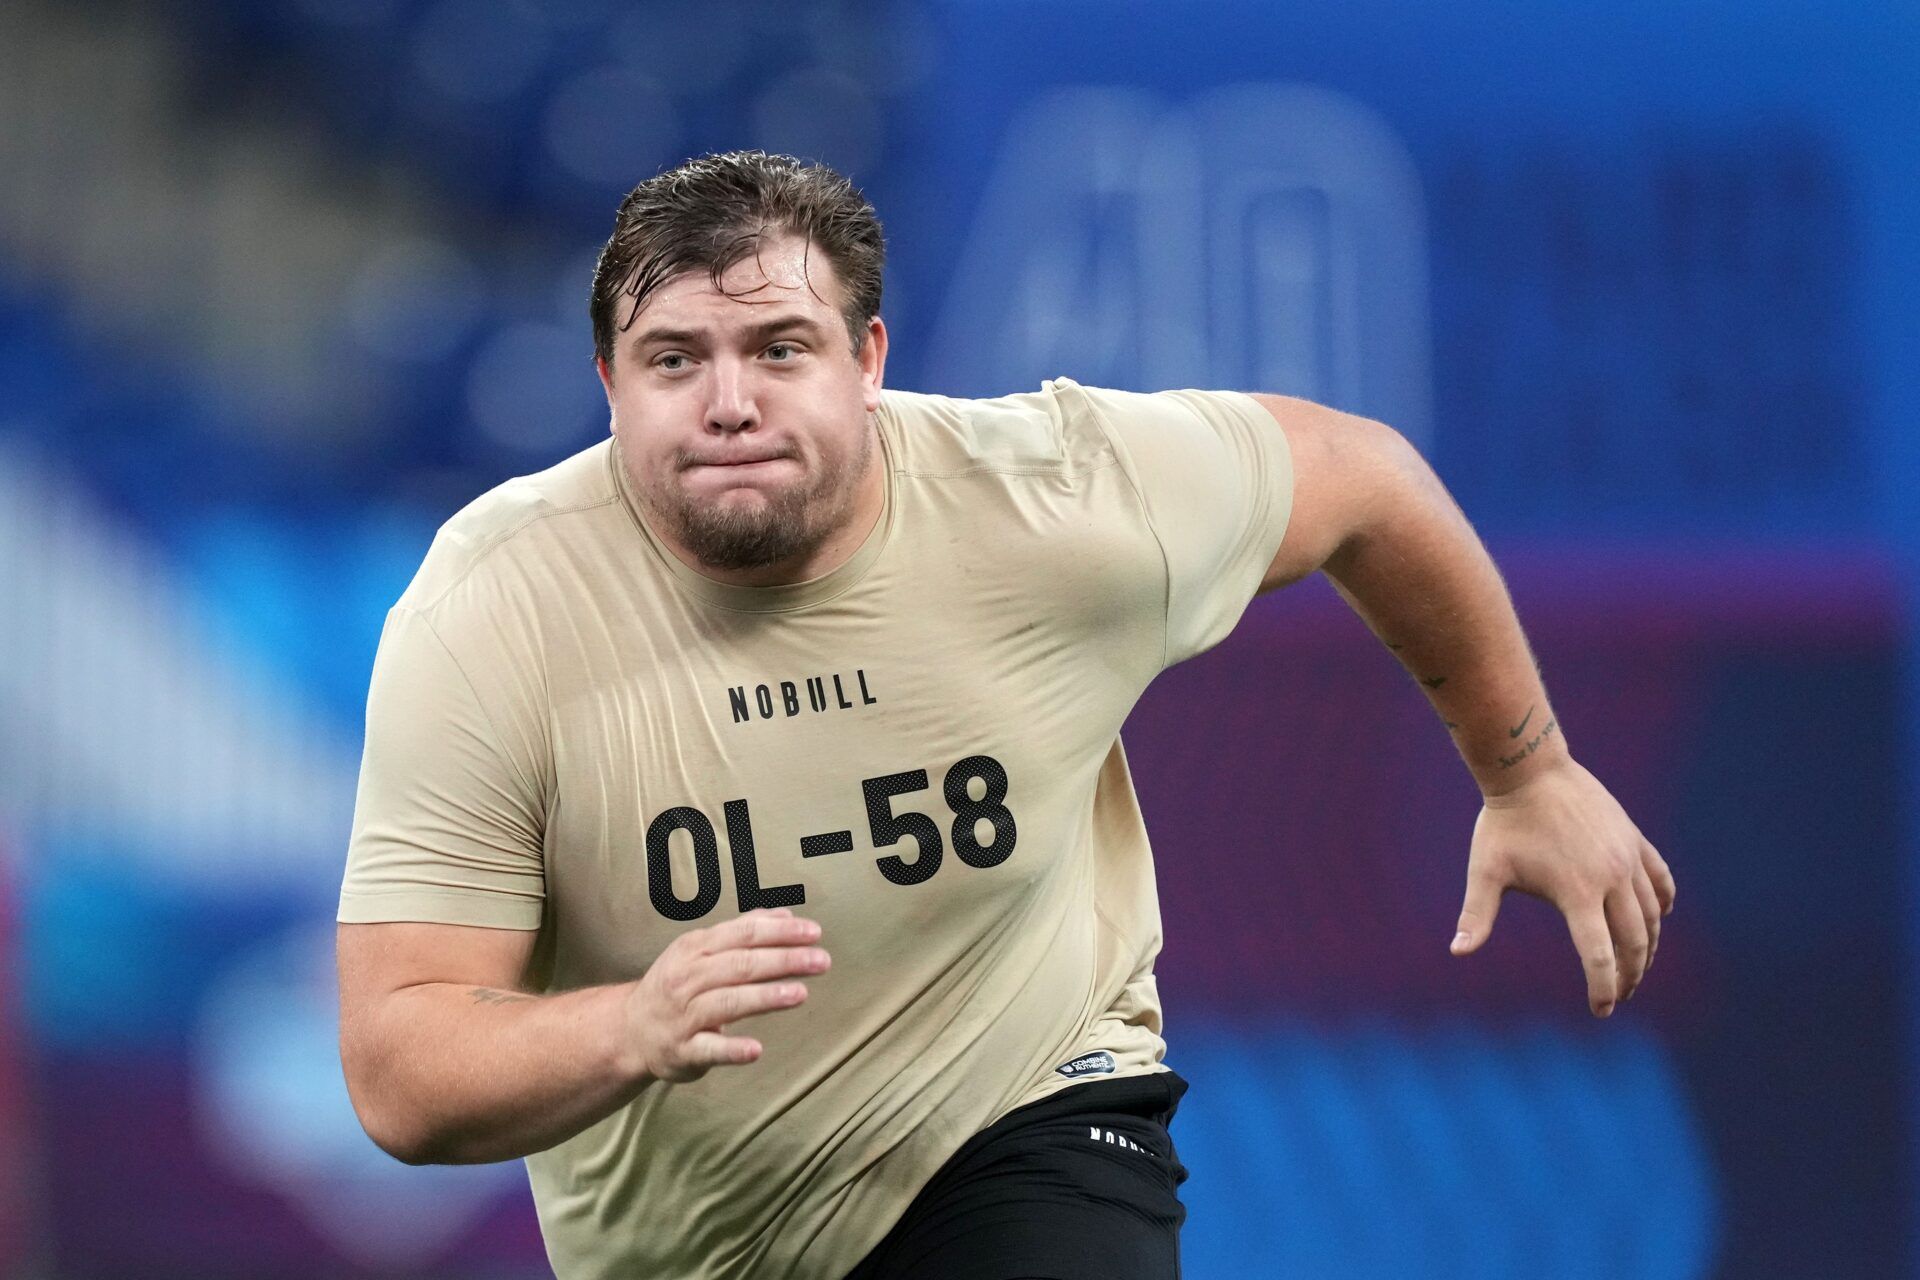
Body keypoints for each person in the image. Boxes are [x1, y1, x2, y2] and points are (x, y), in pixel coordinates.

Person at [335, 149, 1676, 1280]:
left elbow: (1366, 482)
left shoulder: (1053, 501)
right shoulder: (494, 610)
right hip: (697, 1241)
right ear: (607, 383)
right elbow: (401, 1066)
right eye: (673, 358)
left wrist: (1530, 769)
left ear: (868, 359)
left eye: (779, 348)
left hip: (1029, 1112)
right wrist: (627, 1028)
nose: (729, 401)